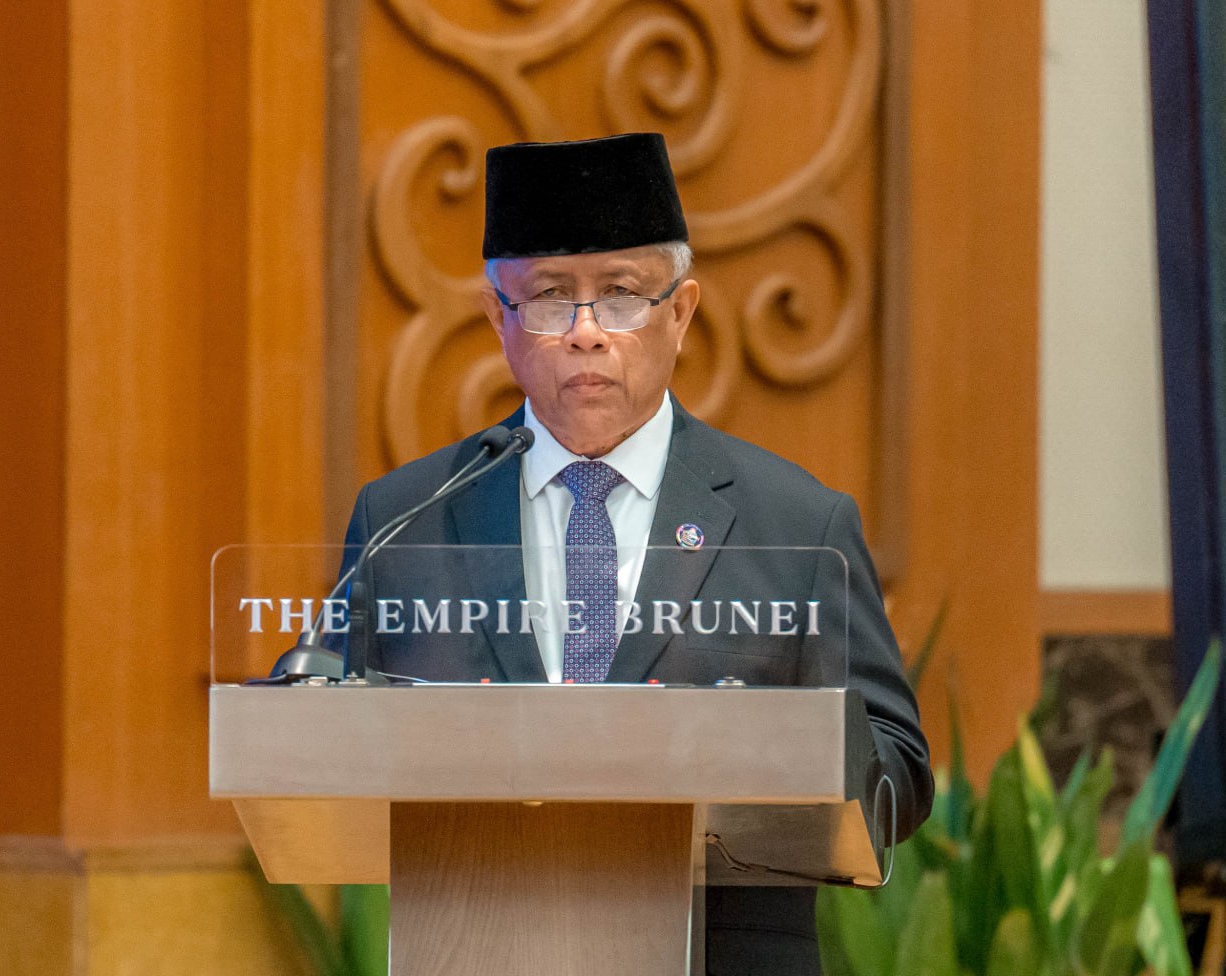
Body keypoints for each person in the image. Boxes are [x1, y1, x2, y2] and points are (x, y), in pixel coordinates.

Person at [339, 132, 931, 974]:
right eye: (550, 298)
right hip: (473, 944)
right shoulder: (406, 520)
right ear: (498, 321)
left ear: (680, 312)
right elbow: (330, 732)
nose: (587, 333)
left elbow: (898, 772)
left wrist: (756, 760)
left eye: (620, 296)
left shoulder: (798, 525)